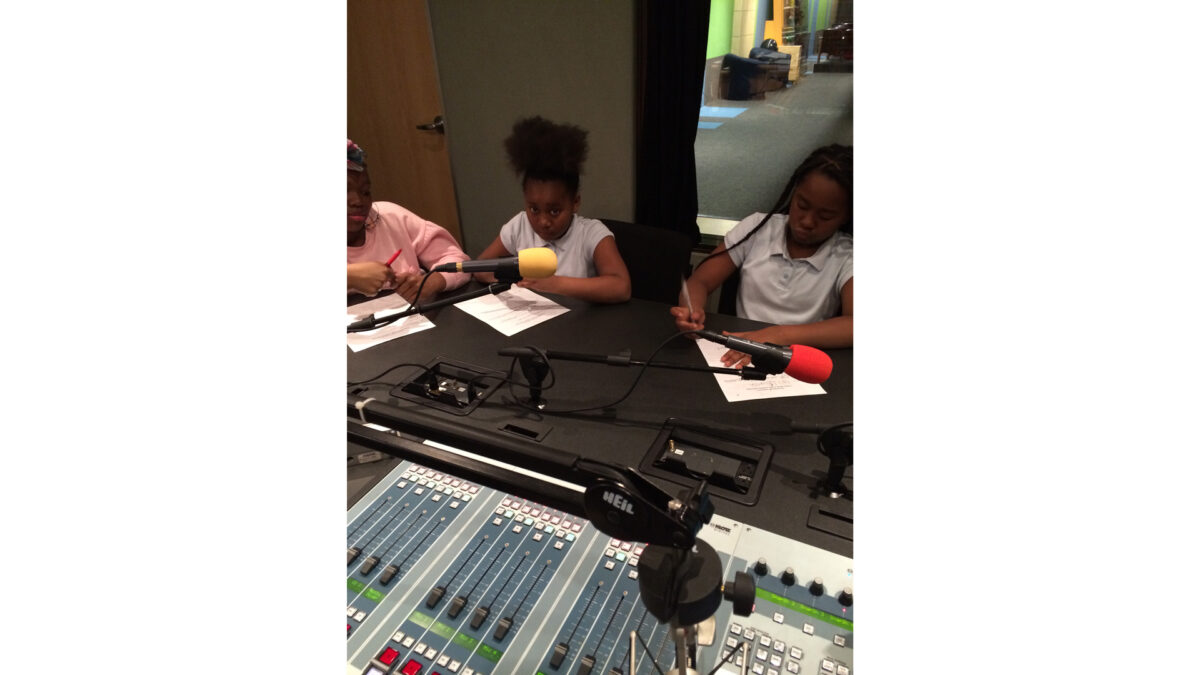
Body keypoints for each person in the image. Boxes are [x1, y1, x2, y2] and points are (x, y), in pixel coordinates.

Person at [671, 144, 852, 363]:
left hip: (798, 359)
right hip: (741, 350)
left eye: (825, 216)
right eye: (802, 205)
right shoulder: (757, 228)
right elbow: (700, 281)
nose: (807, 221)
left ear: (846, 216)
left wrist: (778, 334)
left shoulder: (847, 254)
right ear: (793, 194)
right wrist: (691, 310)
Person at [473, 117, 631, 303]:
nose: (543, 222)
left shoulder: (591, 234)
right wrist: (517, 278)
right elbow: (480, 268)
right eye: (534, 209)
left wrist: (555, 284)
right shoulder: (519, 226)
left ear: (575, 202)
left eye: (554, 211)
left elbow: (621, 287)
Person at [346, 139, 471, 302]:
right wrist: (350, 276)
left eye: (365, 192)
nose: (358, 201)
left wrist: (431, 282)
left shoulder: (391, 217)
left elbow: (457, 260)